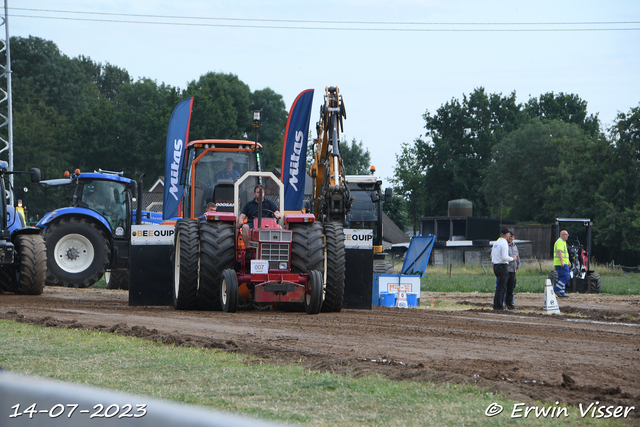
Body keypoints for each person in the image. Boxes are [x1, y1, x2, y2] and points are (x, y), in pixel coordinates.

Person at [491, 228, 517, 310]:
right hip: (502, 266)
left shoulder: (496, 243)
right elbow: (504, 257)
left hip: (495, 266)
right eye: (509, 234)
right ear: (506, 234)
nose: (509, 235)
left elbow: (492, 255)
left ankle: (496, 304)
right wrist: (513, 259)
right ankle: (498, 306)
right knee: (502, 288)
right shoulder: (504, 243)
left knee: (499, 287)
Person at [554, 230, 570, 297]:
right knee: (566, 277)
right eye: (565, 234)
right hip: (561, 264)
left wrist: (568, 261)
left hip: (562, 263)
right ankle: (556, 289)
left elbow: (565, 254)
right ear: (561, 235)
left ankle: (561, 293)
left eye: (567, 234)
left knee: (561, 278)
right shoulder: (560, 242)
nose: (567, 236)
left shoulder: (563, 242)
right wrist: (562, 262)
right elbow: (559, 252)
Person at [506, 231, 520, 309]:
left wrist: (517, 268)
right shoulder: (504, 245)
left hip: (513, 270)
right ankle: (501, 303)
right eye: (509, 236)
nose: (510, 238)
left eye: (512, 236)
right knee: (503, 288)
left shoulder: (515, 246)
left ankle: (509, 303)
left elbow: (518, 258)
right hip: (506, 269)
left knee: (511, 288)